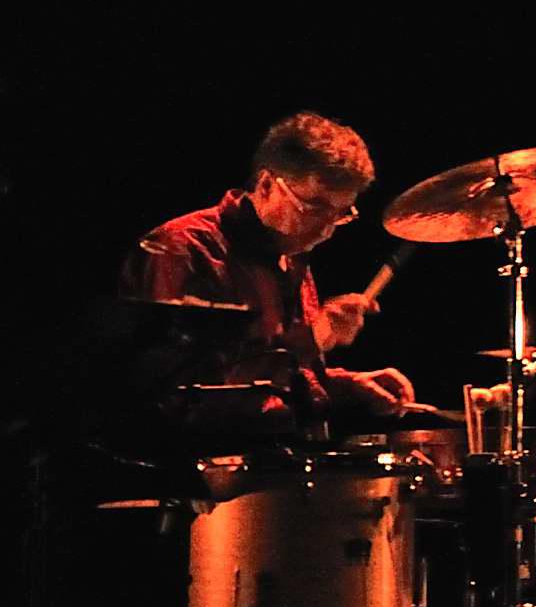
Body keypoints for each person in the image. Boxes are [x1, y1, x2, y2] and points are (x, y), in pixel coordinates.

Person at [122, 113, 425, 446]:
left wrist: (348, 385)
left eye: (340, 214)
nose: (326, 230)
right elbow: (182, 393)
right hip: (204, 473)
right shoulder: (183, 249)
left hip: (278, 459)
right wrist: (312, 338)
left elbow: (287, 383)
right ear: (266, 185)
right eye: (314, 207)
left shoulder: (292, 254)